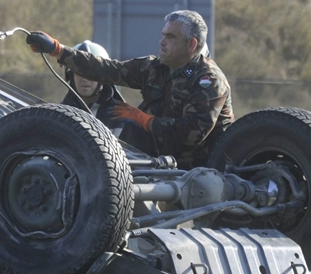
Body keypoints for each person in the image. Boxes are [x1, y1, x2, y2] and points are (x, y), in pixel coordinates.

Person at [27, 11, 233, 170]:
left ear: (191, 44)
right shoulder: (154, 68)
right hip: (164, 166)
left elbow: (193, 133)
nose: (162, 42)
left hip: (206, 172)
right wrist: (57, 50)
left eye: (170, 37)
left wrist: (146, 121)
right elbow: (107, 70)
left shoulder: (208, 81)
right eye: (163, 35)